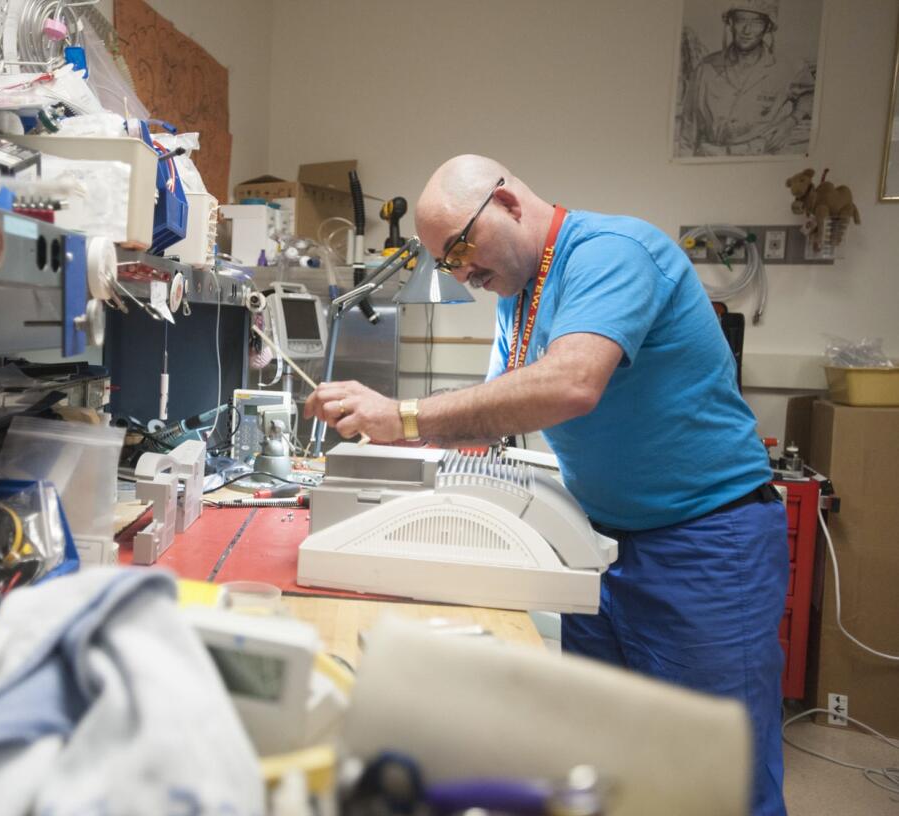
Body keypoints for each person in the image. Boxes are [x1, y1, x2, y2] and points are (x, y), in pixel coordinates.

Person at [303, 154, 789, 816]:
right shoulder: (518, 294)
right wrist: (381, 439)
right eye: (447, 263)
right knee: (605, 768)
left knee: (713, 781)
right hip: (601, 543)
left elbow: (569, 384)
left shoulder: (612, 253)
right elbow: (497, 410)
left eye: (462, 248)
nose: (463, 273)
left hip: (704, 541)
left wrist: (405, 414)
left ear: (506, 202)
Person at [678, 0, 815, 157]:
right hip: (710, 159)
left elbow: (811, 94)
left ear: (768, 27)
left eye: (756, 22)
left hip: (759, 162)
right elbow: (688, 130)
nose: (747, 30)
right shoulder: (706, 68)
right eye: (741, 20)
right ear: (730, 23)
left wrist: (791, 121)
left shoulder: (788, 67)